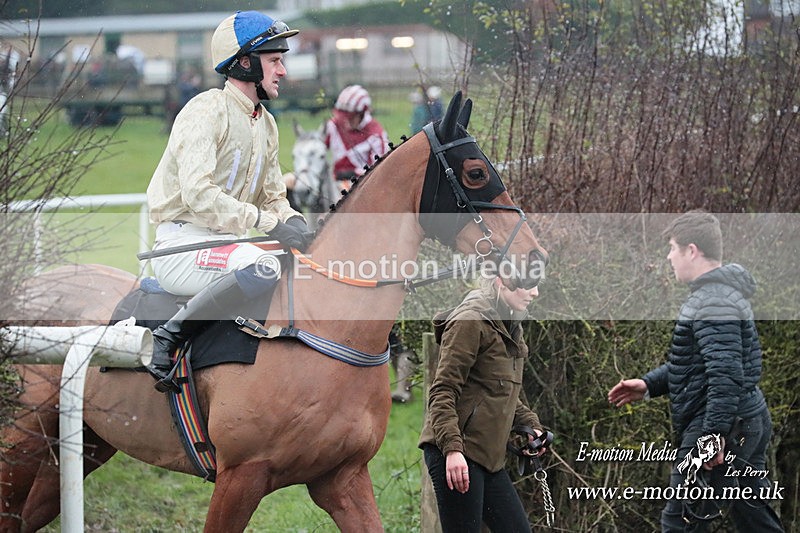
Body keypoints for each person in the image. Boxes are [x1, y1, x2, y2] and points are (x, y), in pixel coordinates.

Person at [145, 11, 312, 393]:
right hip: (182, 246)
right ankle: (169, 336)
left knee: (300, 266)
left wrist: (296, 222)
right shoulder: (206, 110)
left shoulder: (265, 123)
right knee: (266, 265)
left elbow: (273, 198)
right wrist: (270, 224)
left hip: (226, 245)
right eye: (274, 60)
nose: (283, 70)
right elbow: (198, 194)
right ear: (244, 63)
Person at [608, 210, 784, 532]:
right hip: (742, 420)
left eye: (673, 248)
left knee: (681, 523)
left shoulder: (713, 301)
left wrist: (712, 436)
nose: (668, 256)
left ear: (692, 250)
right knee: (754, 521)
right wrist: (649, 385)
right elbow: (701, 366)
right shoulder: (715, 296)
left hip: (720, 424)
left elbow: (725, 376)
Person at [419, 275, 547, 532]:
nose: (534, 293)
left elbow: (499, 392)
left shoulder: (509, 323)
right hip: (456, 452)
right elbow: (443, 390)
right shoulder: (471, 321)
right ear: (502, 280)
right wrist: (453, 450)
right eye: (528, 285)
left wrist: (530, 425)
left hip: (488, 457)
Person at [324, 84, 389, 191]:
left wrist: (353, 173)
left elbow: (380, 171)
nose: (344, 121)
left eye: (350, 117)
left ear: (361, 114)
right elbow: (318, 149)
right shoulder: (334, 125)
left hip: (362, 186)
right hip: (332, 184)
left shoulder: (376, 134)